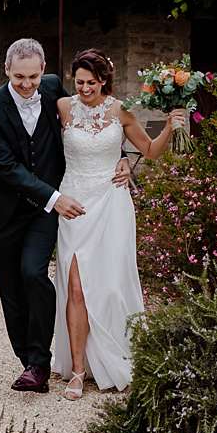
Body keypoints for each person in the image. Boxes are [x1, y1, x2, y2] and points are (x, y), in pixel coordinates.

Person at [0, 38, 129, 393]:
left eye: (33, 77)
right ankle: (28, 359)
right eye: (19, 76)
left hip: (45, 209)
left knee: (33, 273)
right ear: (6, 70)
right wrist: (55, 197)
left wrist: (123, 154)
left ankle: (38, 365)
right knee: (11, 289)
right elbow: (6, 168)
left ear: (43, 72)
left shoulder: (53, 87)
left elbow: (92, 117)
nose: (27, 84)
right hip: (6, 208)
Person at [48, 50, 183, 399]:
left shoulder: (121, 110)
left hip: (111, 203)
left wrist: (168, 127)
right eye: (79, 82)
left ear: (103, 80)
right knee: (75, 285)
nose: (84, 88)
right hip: (74, 203)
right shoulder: (62, 107)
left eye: (91, 83)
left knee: (109, 285)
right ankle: (78, 370)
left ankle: (113, 353)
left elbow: (150, 151)